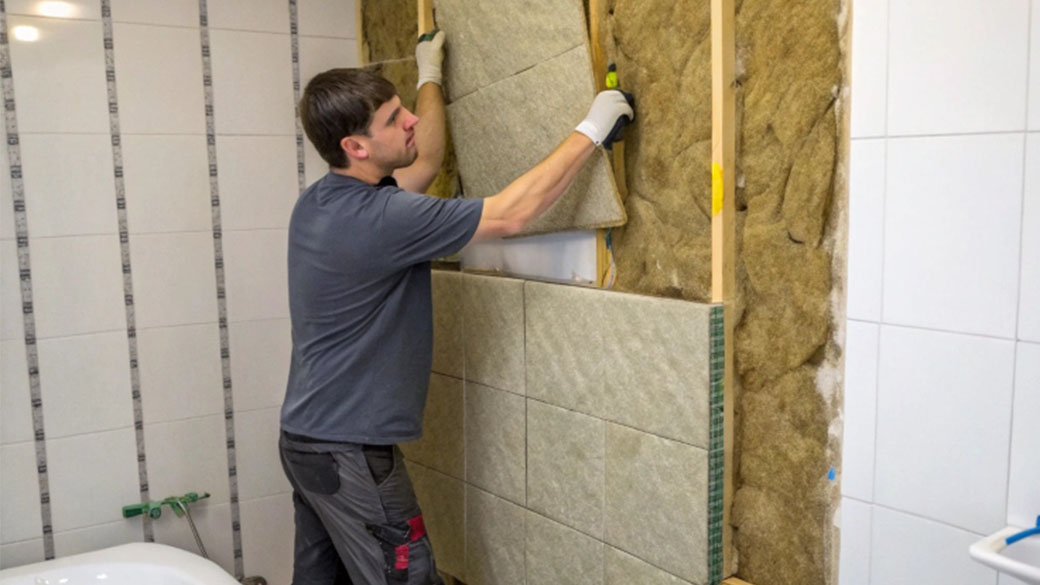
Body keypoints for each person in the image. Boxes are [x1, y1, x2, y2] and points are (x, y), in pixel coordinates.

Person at [279, 29, 634, 585]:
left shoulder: (322, 203)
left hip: (307, 443)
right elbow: (512, 214)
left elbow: (430, 158)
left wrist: (430, 76)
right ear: (356, 147)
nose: (410, 122)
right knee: (408, 575)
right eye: (395, 119)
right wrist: (592, 129)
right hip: (350, 453)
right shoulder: (384, 220)